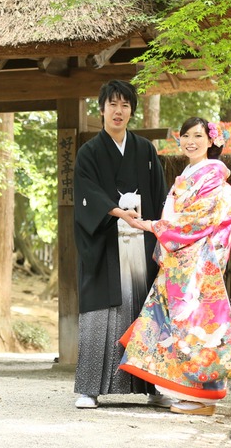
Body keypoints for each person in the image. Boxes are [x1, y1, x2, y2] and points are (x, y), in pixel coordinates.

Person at [118, 116, 231, 416]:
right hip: (181, 259)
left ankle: (202, 396)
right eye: (186, 135)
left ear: (211, 141)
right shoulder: (190, 172)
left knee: (196, 326)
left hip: (196, 260)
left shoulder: (212, 174)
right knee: (174, 324)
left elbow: (198, 218)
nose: (191, 141)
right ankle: (188, 393)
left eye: (198, 136)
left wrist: (155, 226)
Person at [72, 80, 168, 409]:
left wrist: (158, 231)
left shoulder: (145, 151)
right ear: (101, 109)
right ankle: (89, 389)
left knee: (145, 310)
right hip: (105, 242)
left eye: (125, 105)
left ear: (132, 111)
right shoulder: (89, 152)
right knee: (103, 312)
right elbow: (85, 193)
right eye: (112, 104)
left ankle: (152, 387)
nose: (118, 111)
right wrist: (117, 213)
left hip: (141, 242)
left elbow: (160, 196)